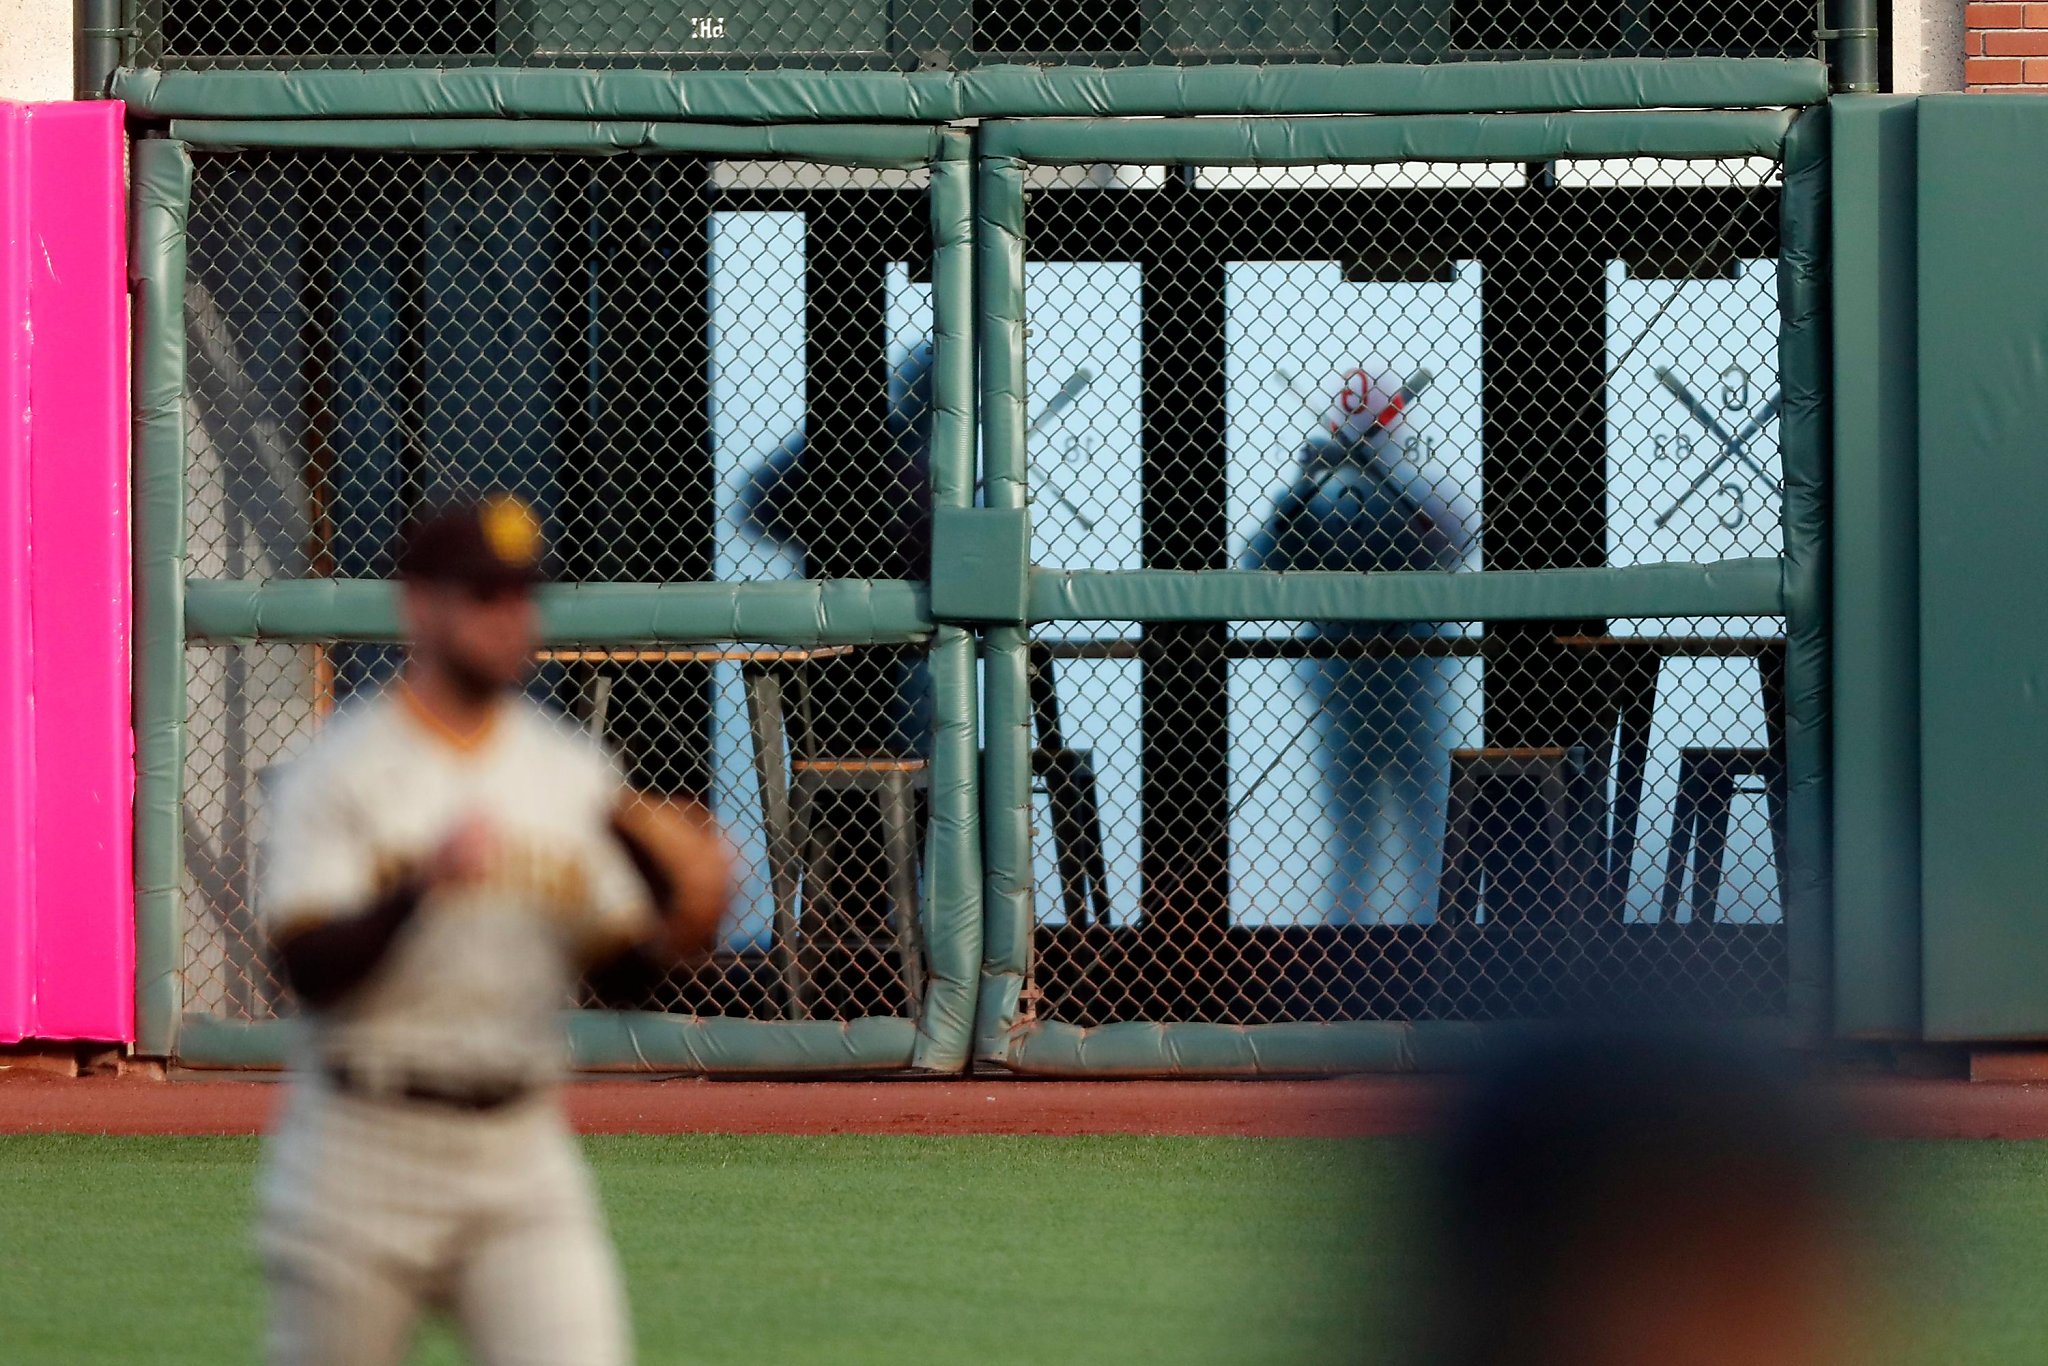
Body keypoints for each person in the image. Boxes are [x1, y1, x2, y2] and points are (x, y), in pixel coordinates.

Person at [256, 493, 731, 1366]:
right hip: (362, 1146)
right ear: (418, 607)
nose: (511, 617)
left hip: (517, 1151)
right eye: (484, 595)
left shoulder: (567, 773)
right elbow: (309, 966)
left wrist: (680, 928)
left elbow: (622, 975)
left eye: (521, 594)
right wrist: (420, 890)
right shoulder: (342, 770)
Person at [1243, 367, 1473, 925]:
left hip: (1410, 689)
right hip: (1348, 693)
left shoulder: (1409, 489)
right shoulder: (1321, 501)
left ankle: (1430, 932)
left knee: (1425, 828)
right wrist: (1303, 485)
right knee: (1353, 834)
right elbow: (1257, 563)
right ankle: (1348, 943)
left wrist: (1382, 475)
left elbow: (1453, 541)